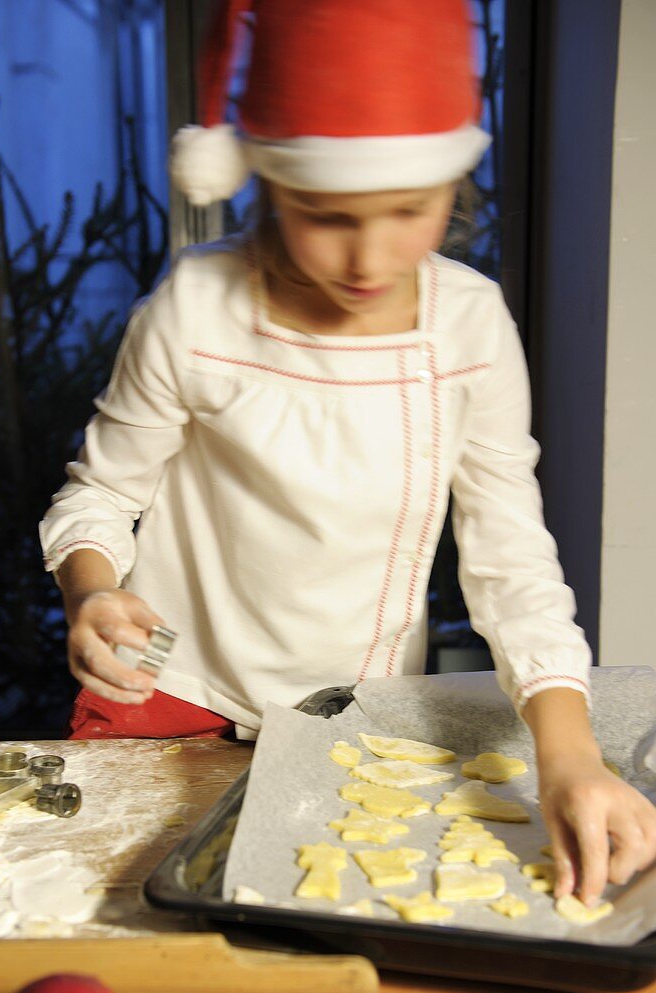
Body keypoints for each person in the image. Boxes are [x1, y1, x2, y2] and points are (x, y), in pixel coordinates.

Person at [40, 0, 656, 905]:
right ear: (268, 184)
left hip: (348, 714)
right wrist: (92, 590)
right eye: (325, 216)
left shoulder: (470, 324)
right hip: (166, 689)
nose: (370, 258)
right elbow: (98, 498)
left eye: (410, 210)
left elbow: (510, 557)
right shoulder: (195, 309)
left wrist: (568, 755)